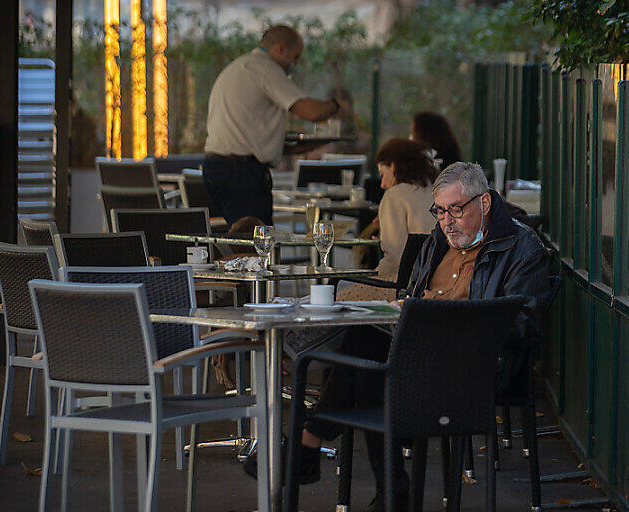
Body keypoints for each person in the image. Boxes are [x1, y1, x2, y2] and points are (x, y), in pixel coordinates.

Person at [247, 162, 550, 511]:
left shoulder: (523, 247)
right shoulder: (439, 238)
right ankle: (384, 486)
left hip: (474, 365)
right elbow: (413, 291)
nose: (447, 221)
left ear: (483, 204)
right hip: (416, 352)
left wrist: (431, 313)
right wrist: (403, 307)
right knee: (366, 349)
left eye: (456, 210)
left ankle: (316, 446)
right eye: (440, 211)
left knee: (368, 364)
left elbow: (521, 323)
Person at [203, 25, 351, 226]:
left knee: (237, 244)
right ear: (281, 49)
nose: (295, 64)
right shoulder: (266, 69)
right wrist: (335, 105)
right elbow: (311, 112)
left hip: (217, 168)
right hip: (241, 174)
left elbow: (248, 133)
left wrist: (299, 145)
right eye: (296, 57)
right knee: (256, 247)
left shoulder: (239, 66)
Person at [338, 138, 437, 301]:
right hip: (436, 281)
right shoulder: (436, 190)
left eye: (383, 174)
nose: (382, 184)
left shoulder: (395, 195)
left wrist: (373, 276)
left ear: (394, 166)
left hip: (406, 285)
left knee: (339, 297)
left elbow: (395, 258)